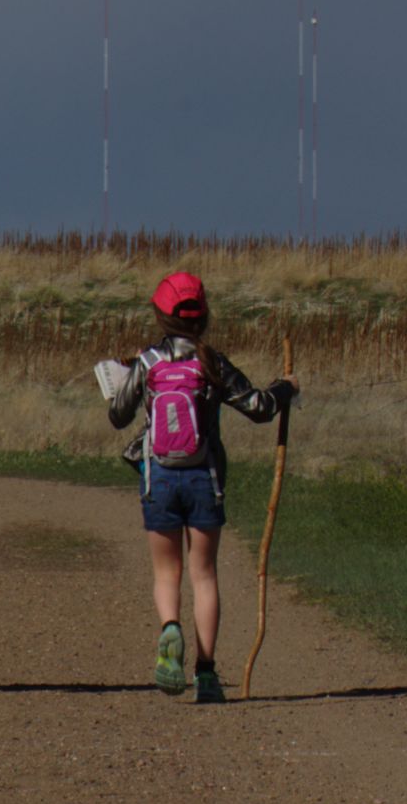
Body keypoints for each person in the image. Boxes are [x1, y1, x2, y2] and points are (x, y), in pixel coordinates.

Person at [100, 271, 296, 703]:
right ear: (204, 315)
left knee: (166, 573)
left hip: (160, 479)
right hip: (205, 479)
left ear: (161, 315)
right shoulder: (212, 362)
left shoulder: (149, 362)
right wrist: (286, 388)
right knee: (204, 575)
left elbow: (118, 416)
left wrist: (130, 373)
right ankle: (206, 674)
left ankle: (170, 629)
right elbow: (260, 407)